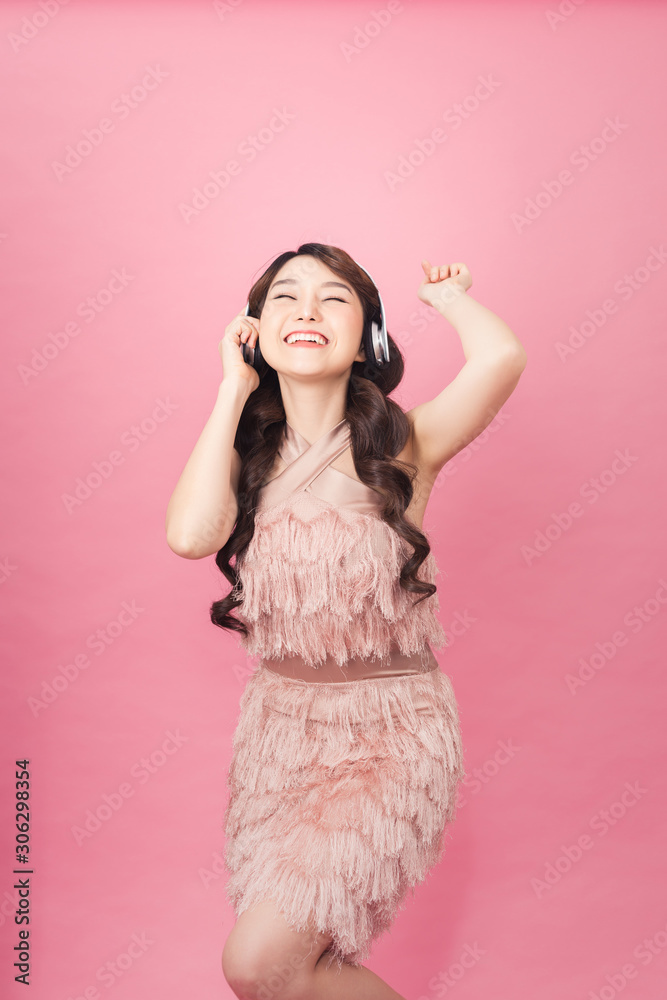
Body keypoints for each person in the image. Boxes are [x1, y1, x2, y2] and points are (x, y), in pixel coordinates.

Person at [165, 243, 527, 999]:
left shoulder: (402, 447)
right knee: (296, 973)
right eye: (284, 299)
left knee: (258, 963)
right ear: (254, 331)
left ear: (367, 337)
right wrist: (232, 388)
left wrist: (451, 300)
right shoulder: (242, 458)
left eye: (333, 299)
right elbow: (191, 537)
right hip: (278, 741)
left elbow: (500, 358)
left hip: (388, 736)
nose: (305, 310)